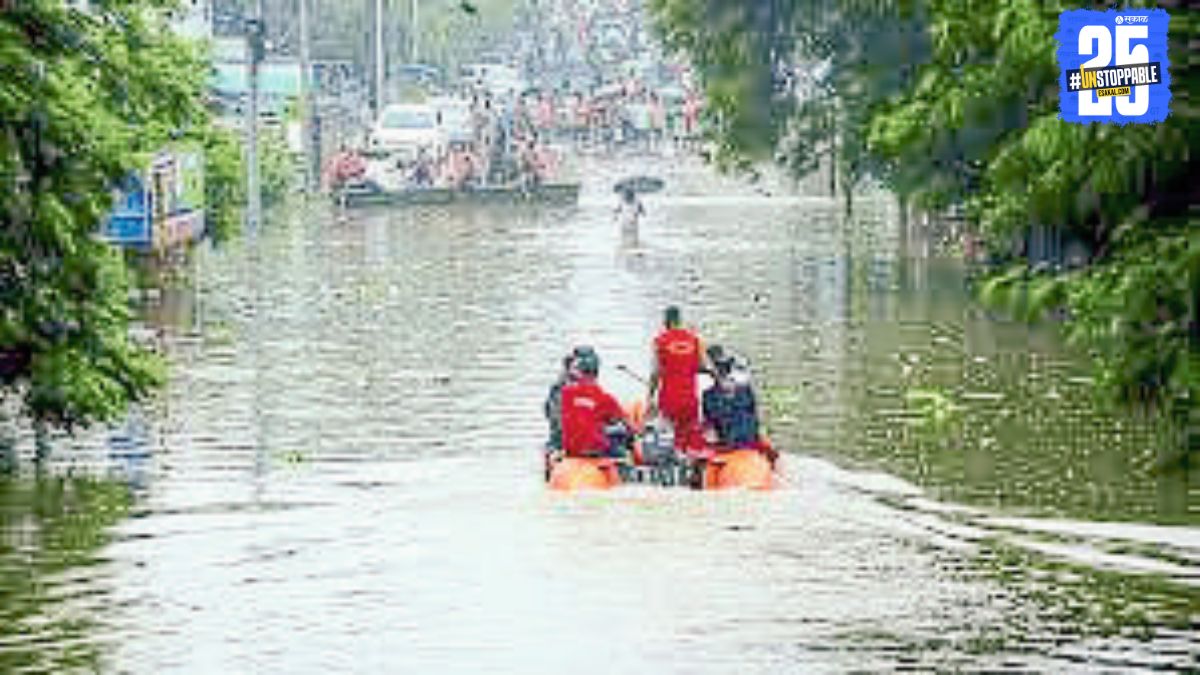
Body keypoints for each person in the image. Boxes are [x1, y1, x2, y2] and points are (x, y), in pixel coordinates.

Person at [647, 306, 707, 451]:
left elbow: (656, 372)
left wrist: (650, 396)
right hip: (690, 398)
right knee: (689, 438)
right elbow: (702, 366)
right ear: (680, 320)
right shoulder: (695, 340)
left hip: (668, 399)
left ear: (666, 322)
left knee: (668, 440)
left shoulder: (659, 341)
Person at [560, 346, 632, 458]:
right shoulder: (604, 398)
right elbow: (625, 423)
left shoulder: (566, 393)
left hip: (571, 449)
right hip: (594, 449)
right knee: (622, 437)